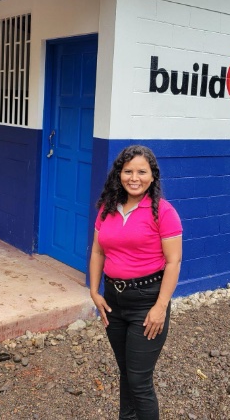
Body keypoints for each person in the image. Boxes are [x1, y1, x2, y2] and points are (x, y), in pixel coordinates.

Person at [89, 144, 183, 420]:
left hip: (147, 302)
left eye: (142, 171)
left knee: (140, 382)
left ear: (152, 176)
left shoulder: (163, 212)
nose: (134, 177)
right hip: (113, 302)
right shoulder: (107, 208)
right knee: (126, 374)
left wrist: (160, 307)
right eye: (128, 171)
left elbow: (173, 262)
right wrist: (94, 291)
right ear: (119, 174)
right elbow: (97, 251)